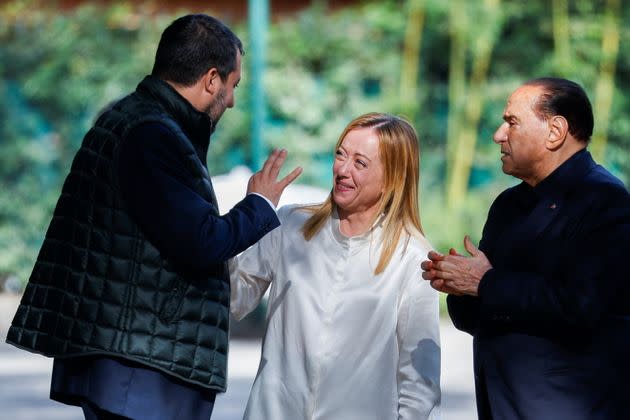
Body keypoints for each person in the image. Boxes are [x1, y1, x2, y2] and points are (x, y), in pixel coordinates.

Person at [6, 14, 301, 420]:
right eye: (233, 86)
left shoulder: (138, 120)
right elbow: (201, 242)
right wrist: (259, 203)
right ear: (211, 79)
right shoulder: (152, 134)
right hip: (141, 369)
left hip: (134, 361)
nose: (231, 100)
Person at [422, 77, 630, 419]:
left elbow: (582, 306)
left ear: (555, 131)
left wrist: (484, 283)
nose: (498, 134)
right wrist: (458, 285)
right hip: (503, 404)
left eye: (512, 122)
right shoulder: (508, 204)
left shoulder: (604, 201)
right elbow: (487, 311)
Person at [230, 112, 441, 420]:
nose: (342, 169)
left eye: (360, 162)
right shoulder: (290, 224)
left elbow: (419, 379)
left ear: (393, 177)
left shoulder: (413, 258)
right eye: (340, 154)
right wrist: (247, 216)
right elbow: (234, 297)